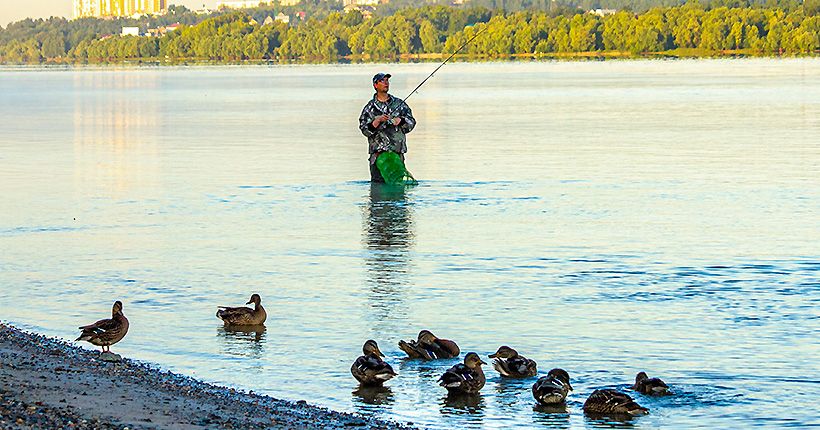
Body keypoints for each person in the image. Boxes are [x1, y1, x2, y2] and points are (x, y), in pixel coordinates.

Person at [359, 73, 416, 183]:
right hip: (377, 156)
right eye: (382, 81)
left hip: (396, 154)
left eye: (387, 80)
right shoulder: (369, 108)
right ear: (375, 85)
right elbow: (364, 130)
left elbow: (411, 122)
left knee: (398, 188)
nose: (386, 83)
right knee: (377, 190)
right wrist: (377, 121)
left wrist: (401, 121)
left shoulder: (400, 104)